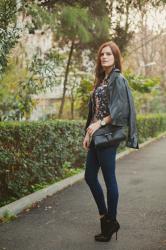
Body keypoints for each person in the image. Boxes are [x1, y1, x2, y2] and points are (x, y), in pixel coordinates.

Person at [82, 41, 139, 242]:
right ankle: (105, 217)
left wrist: (98, 125)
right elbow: (95, 111)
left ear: (115, 57)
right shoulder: (101, 80)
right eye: (102, 54)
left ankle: (110, 220)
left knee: (109, 180)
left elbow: (119, 110)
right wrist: (88, 133)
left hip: (108, 136)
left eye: (108, 54)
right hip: (97, 136)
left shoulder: (117, 79)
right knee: (89, 177)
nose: (104, 57)